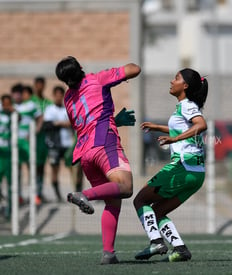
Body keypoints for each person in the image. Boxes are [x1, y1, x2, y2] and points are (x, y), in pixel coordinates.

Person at [55, 56, 141, 264]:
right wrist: (114, 74)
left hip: (86, 155)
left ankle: (108, 253)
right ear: (81, 68)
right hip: (104, 144)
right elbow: (134, 69)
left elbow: (88, 121)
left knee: (113, 201)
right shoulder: (98, 79)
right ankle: (83, 195)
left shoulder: (68, 99)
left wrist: (115, 120)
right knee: (126, 186)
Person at [134, 68, 208, 262]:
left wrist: (175, 140)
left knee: (140, 200)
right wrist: (158, 127)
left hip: (183, 167)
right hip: (197, 173)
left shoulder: (187, 105)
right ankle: (180, 248)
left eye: (176, 78)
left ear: (185, 86)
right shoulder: (185, 107)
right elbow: (183, 127)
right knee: (158, 211)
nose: (171, 81)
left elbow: (201, 125)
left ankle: (156, 242)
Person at [43, 85, 73, 202]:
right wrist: (60, 123)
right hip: (54, 144)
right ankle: (57, 194)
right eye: (57, 95)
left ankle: (76, 191)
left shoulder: (67, 109)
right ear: (54, 96)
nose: (59, 98)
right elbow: (47, 125)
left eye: (61, 95)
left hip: (67, 143)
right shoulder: (50, 109)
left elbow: (73, 123)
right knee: (55, 169)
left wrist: (64, 124)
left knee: (73, 167)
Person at [32, 76, 52, 205]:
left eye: (41, 84)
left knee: (41, 166)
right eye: (37, 84)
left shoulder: (47, 102)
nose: (39, 87)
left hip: (43, 138)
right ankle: (32, 192)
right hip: (31, 137)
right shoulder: (30, 101)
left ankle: (38, 192)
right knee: (31, 165)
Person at [0, 94, 15, 219]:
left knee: (11, 183)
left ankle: (9, 211)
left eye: (8, 103)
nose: (6, 106)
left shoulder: (13, 115)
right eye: (5, 103)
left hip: (9, 153)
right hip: (0, 153)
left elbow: (20, 118)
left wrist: (14, 112)